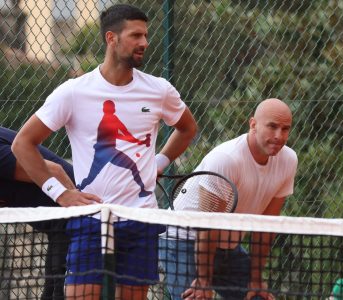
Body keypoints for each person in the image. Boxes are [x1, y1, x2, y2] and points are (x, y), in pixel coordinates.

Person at [11, 4, 198, 300]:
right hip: (90, 219)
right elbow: (22, 143)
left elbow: (187, 128)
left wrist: (159, 161)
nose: (144, 43)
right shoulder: (73, 92)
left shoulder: (159, 90)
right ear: (111, 38)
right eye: (136, 35)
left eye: (146, 35)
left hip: (141, 219)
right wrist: (60, 193)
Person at [159, 98, 298, 300]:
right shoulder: (227, 159)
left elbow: (266, 227)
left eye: (285, 129)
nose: (279, 136)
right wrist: (204, 282)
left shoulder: (288, 160)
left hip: (227, 246)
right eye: (272, 126)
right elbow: (208, 226)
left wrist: (256, 279)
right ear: (253, 125)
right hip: (183, 240)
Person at [0, 126, 75, 300]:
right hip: (57, 225)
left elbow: (54, 172)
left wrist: (79, 208)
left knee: (58, 293)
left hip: (72, 219)